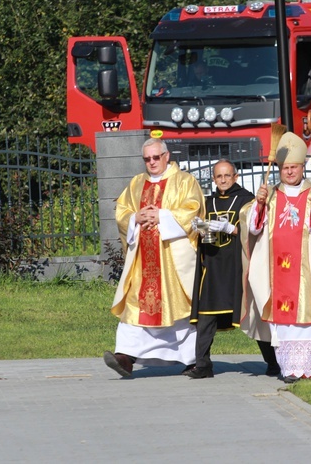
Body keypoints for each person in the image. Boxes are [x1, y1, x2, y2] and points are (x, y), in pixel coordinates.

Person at [240, 132, 311, 383]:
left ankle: (305, 369)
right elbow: (251, 227)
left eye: (294, 167)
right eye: (285, 168)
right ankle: (289, 368)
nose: (289, 172)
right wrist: (258, 205)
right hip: (275, 271)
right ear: (279, 169)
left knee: (304, 316)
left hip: (305, 269)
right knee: (282, 321)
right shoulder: (271, 195)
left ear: (302, 167)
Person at [103, 138, 205, 378]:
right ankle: (125, 357)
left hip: (172, 262)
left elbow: (194, 209)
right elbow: (122, 211)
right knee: (135, 306)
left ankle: (191, 359)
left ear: (166, 156)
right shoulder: (137, 183)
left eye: (155, 157)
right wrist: (135, 219)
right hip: (143, 262)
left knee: (179, 309)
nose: (151, 162)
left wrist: (162, 216)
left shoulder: (185, 181)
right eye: (147, 159)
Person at [186, 160, 279, 379]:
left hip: (239, 267)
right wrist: (198, 228)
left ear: (235, 177)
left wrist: (233, 229)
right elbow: (201, 234)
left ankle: (273, 363)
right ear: (214, 179)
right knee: (205, 316)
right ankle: (203, 365)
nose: (223, 180)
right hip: (214, 267)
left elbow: (256, 229)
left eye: (227, 176)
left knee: (252, 315)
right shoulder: (208, 202)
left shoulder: (246, 200)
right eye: (219, 177)